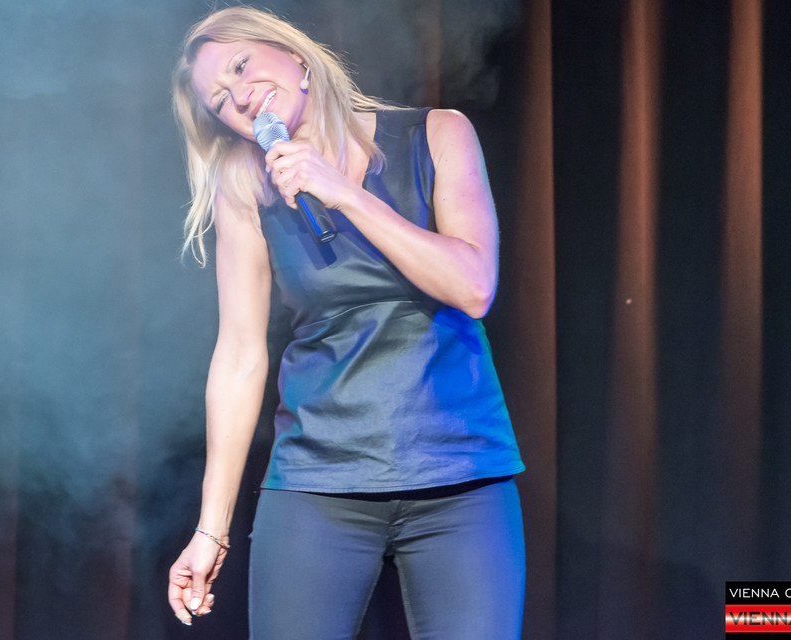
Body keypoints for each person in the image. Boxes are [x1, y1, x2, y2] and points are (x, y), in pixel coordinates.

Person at [167, 7, 526, 639]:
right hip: (319, 479)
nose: (239, 96)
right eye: (219, 100)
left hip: (460, 474)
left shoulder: (439, 133)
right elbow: (241, 355)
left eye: (242, 66)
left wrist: (346, 194)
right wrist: (210, 530)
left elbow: (473, 287)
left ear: (295, 58)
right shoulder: (244, 184)